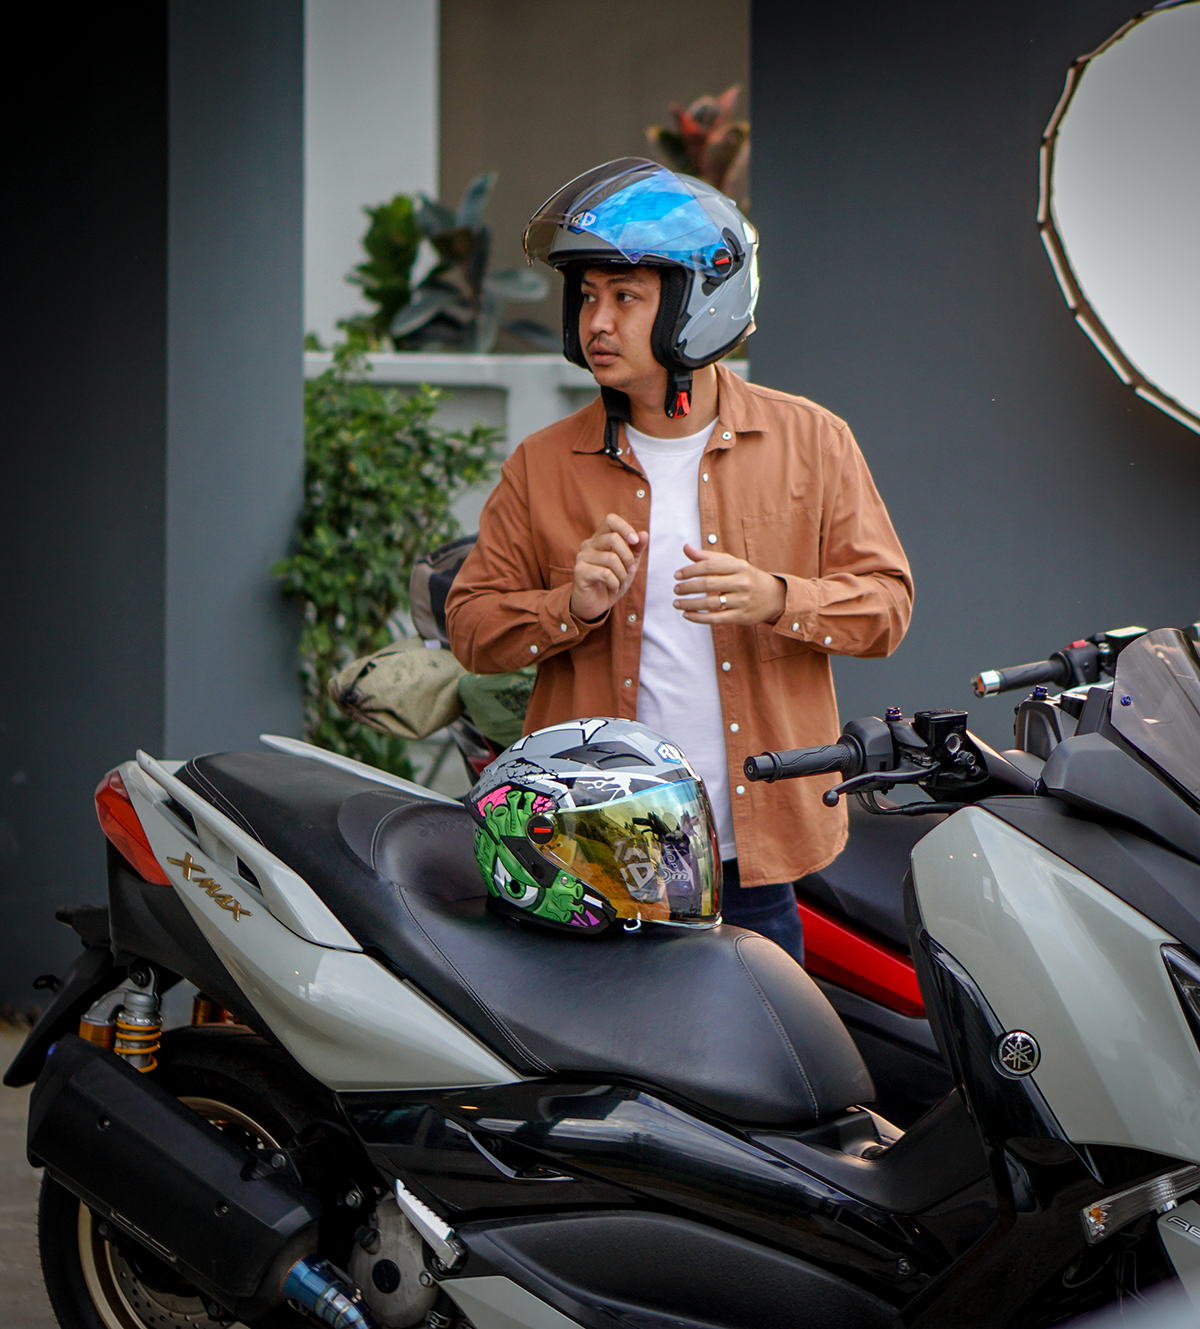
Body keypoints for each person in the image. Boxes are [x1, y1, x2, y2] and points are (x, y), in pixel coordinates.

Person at [446, 158, 913, 961]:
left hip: (750, 860)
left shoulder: (812, 441)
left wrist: (778, 597)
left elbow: (886, 607)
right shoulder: (542, 464)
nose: (597, 322)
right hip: (590, 858)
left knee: (763, 1047)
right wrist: (569, 606)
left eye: (625, 298)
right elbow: (469, 628)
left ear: (700, 301)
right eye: (587, 297)